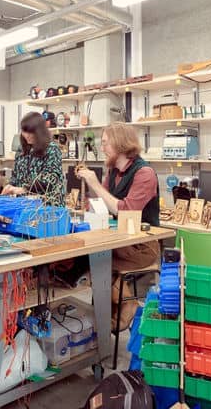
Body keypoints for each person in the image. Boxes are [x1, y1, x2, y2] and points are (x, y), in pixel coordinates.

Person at [77, 122, 160, 328]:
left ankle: (126, 305)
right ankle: (108, 316)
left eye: (105, 143)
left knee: (93, 264)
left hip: (141, 246)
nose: (102, 148)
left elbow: (125, 209)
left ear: (120, 144)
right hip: (117, 241)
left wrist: (95, 183)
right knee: (84, 259)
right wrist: (85, 205)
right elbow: (102, 204)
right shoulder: (113, 171)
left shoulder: (144, 173)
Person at [2, 112, 65, 205]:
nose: (27, 135)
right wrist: (10, 186)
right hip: (24, 205)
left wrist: (24, 189)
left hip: (48, 207)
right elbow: (16, 176)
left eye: (31, 132)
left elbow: (51, 179)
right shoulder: (21, 150)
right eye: (24, 131)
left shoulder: (52, 149)